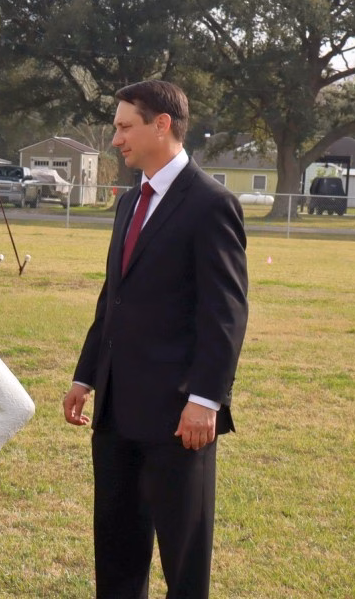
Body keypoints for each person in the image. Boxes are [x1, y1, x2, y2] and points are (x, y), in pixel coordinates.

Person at [62, 80, 249, 599]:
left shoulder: (211, 204)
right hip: (117, 410)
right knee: (117, 553)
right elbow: (113, 299)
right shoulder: (128, 204)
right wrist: (85, 375)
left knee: (183, 563)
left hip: (178, 418)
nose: (115, 139)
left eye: (124, 126)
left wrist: (205, 400)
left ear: (161, 125)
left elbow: (225, 314)